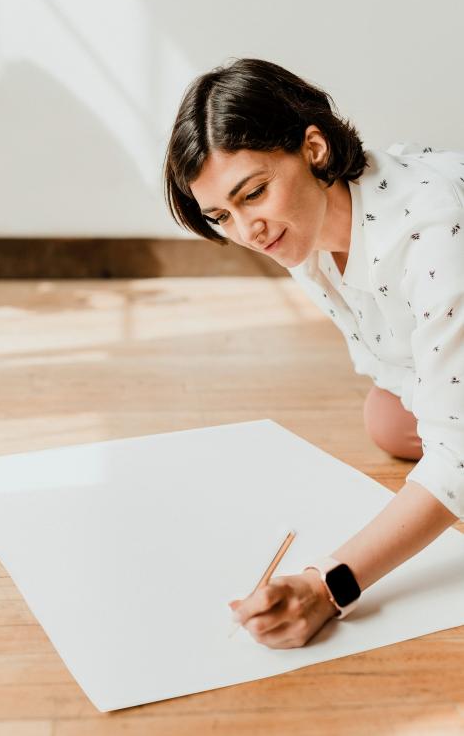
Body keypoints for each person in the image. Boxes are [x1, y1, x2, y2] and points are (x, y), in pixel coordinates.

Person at [163, 58, 463, 649]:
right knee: (387, 419)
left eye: (254, 192)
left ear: (315, 147)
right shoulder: (304, 228)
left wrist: (330, 585)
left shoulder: (431, 227)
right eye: (222, 215)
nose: (248, 230)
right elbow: (390, 363)